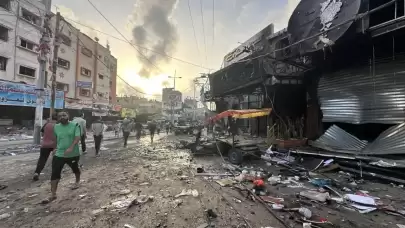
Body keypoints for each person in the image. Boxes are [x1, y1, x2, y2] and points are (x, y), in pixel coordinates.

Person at [44, 111, 81, 203]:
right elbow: (56, 138)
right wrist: (55, 148)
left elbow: (77, 137)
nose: (62, 117)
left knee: (75, 168)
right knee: (55, 173)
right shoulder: (56, 127)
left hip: (73, 154)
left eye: (64, 115)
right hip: (59, 154)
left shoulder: (75, 125)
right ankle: (53, 194)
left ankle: (77, 181)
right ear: (58, 118)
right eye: (60, 116)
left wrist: (71, 147)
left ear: (68, 116)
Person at [33, 113, 58, 181]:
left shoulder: (46, 124)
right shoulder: (58, 125)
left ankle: (37, 173)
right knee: (56, 159)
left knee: (42, 159)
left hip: (45, 145)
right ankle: (55, 174)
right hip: (55, 145)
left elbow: (42, 134)